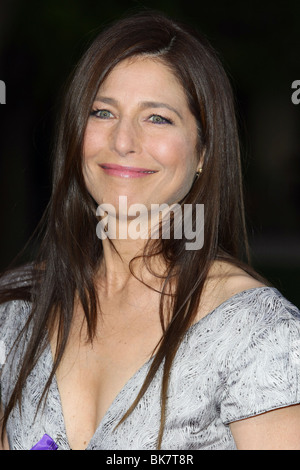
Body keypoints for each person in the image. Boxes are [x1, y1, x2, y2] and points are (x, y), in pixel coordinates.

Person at [1, 11, 300, 451]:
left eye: (157, 118)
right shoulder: (15, 311)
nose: (123, 140)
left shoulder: (258, 332)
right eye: (103, 112)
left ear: (204, 151)